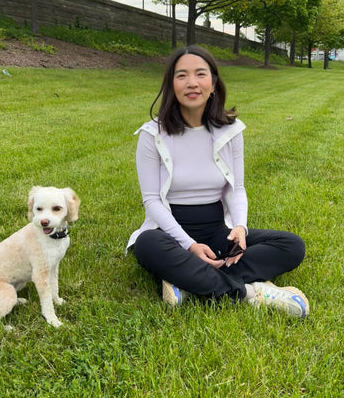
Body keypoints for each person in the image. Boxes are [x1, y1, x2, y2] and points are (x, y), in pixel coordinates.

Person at [126, 45, 309, 318]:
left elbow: (237, 189)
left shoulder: (231, 131)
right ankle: (249, 292)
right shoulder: (152, 134)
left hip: (215, 233)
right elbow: (151, 200)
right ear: (171, 85)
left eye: (200, 74)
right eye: (181, 76)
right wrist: (189, 245)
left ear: (213, 84)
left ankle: (188, 281)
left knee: (292, 246)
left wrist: (240, 228)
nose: (192, 83)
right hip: (170, 234)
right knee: (146, 245)